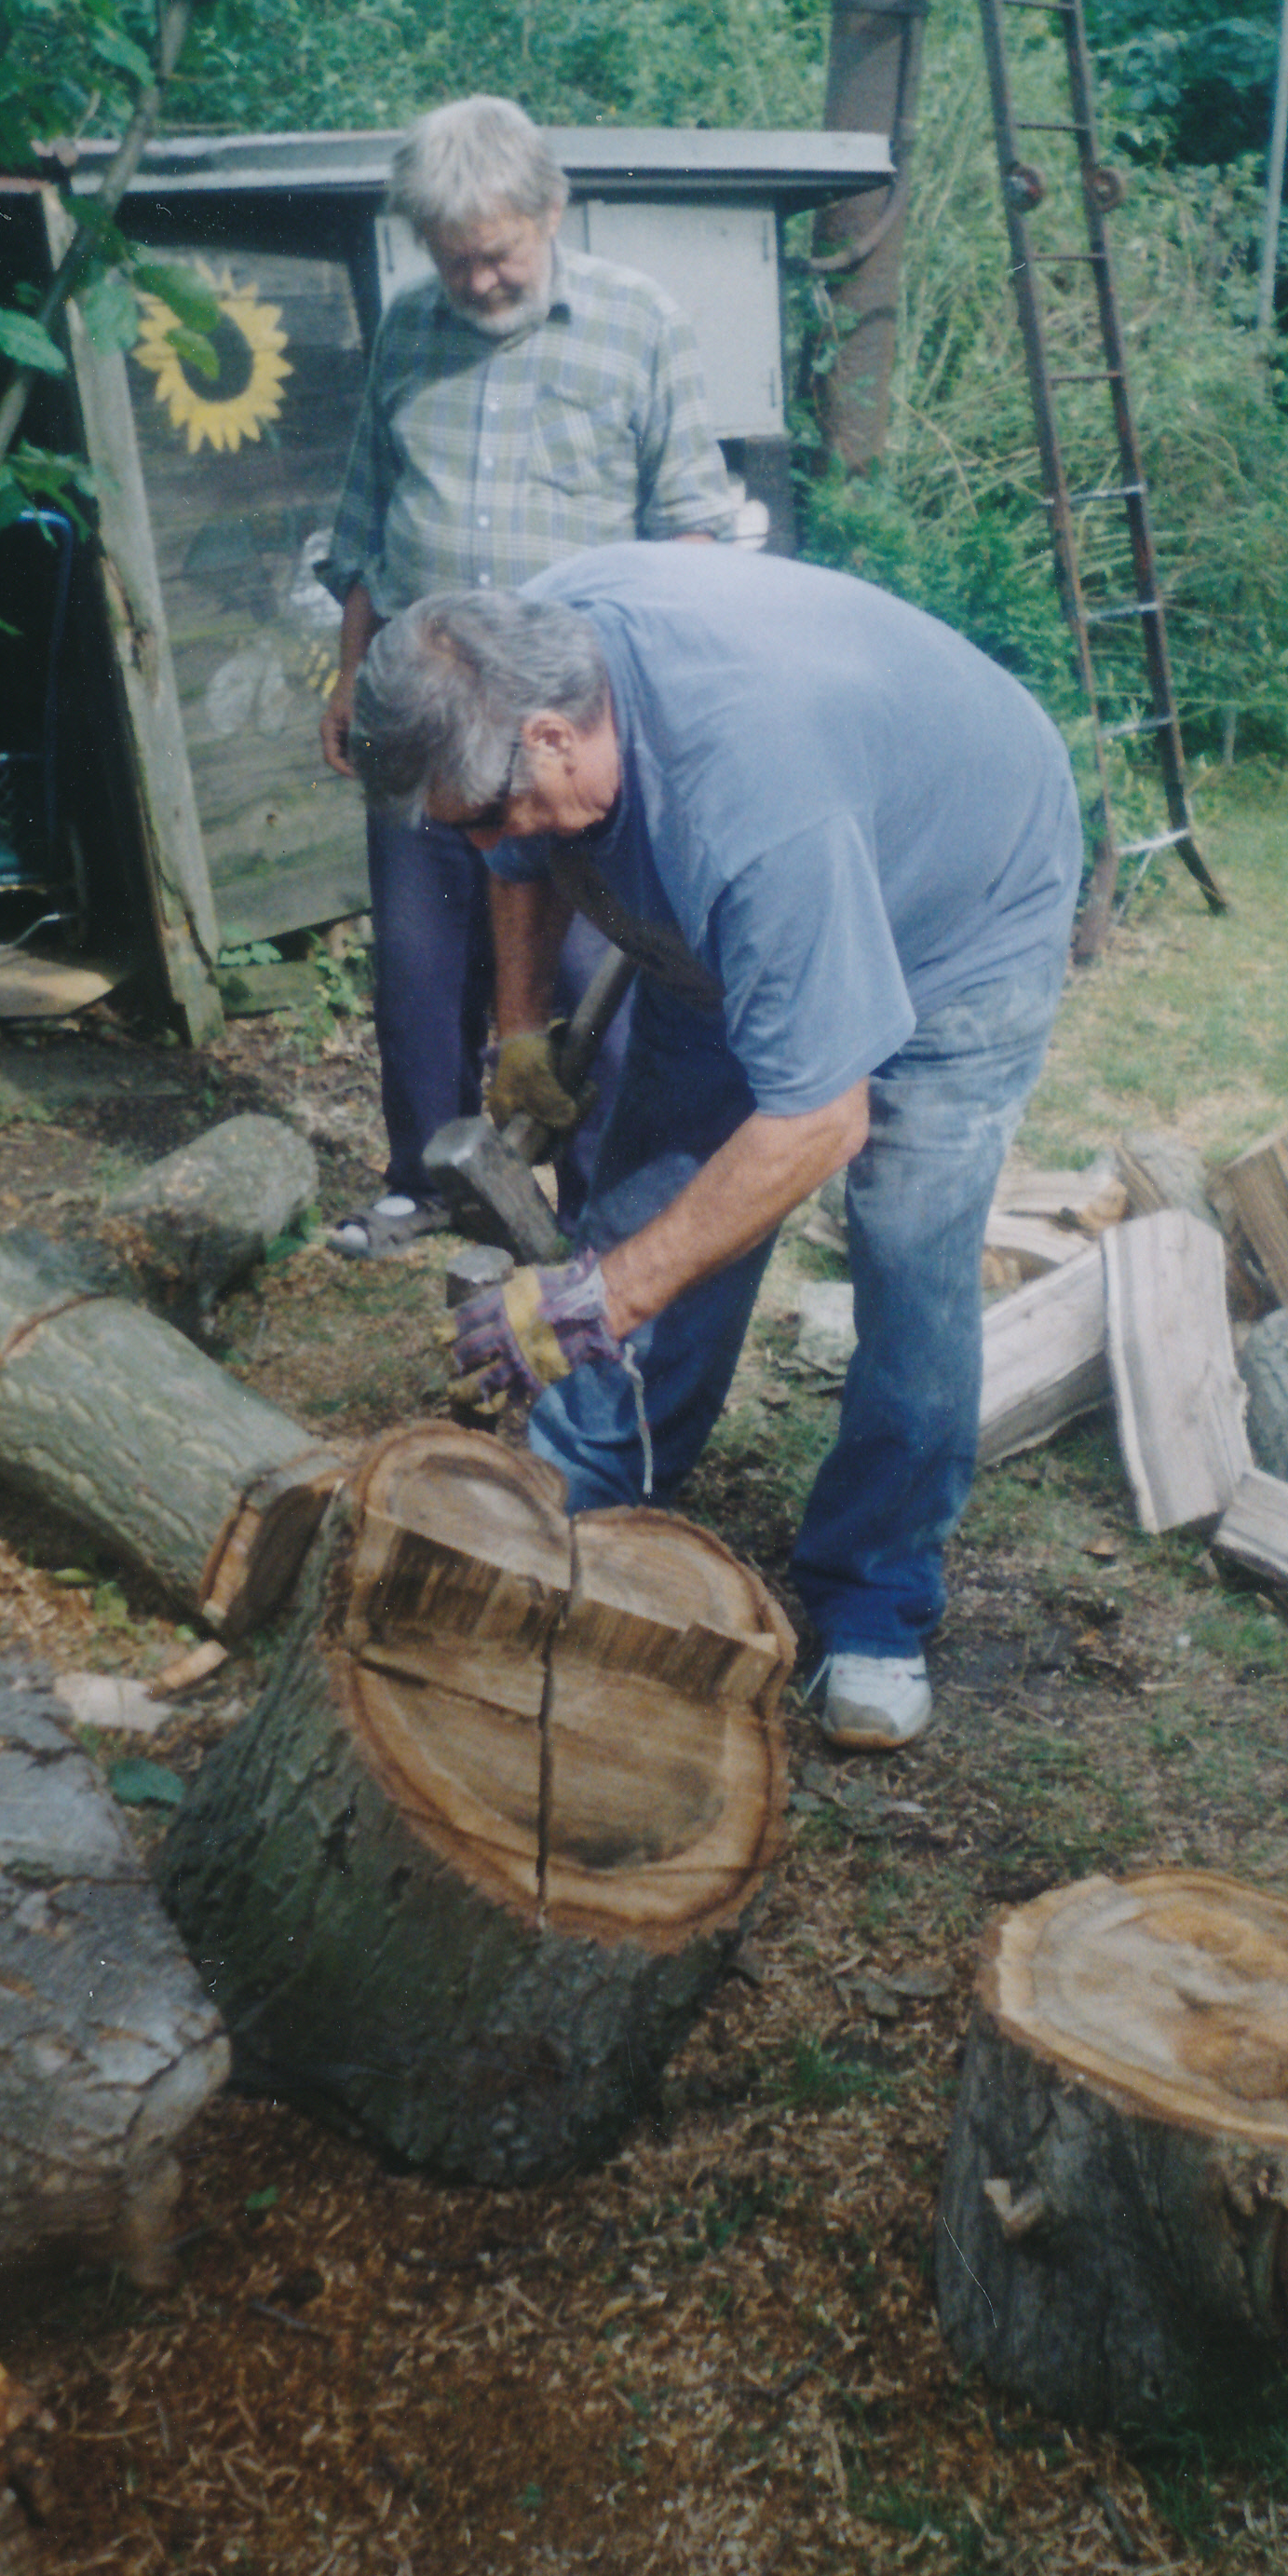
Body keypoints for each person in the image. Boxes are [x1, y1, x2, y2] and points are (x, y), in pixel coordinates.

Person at [348, 544, 1082, 1751]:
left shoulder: (754, 809)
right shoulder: (522, 652)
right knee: (655, 1191)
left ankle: (877, 1595)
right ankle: (587, 1493)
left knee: (907, 1247)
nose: (482, 845)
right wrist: (520, 1027)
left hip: (963, 914)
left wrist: (600, 1298)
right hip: (730, 911)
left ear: (553, 738)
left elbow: (817, 1121)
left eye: (482, 815)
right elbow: (523, 852)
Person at [317, 95, 733, 1257]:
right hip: (421, 700)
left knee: (597, 963)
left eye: (495, 253)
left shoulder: (639, 322)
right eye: (453, 258)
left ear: (551, 211)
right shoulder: (408, 328)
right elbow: (362, 518)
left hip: (568, 723)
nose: (478, 279)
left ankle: (599, 1199)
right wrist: (350, 675)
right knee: (420, 960)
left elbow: (691, 527)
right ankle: (430, 1178)